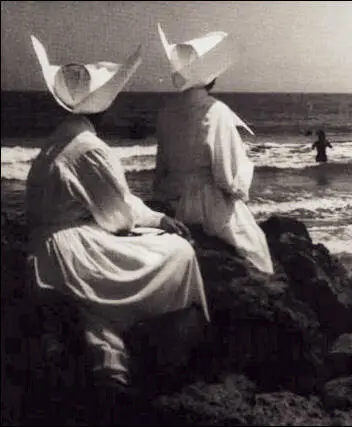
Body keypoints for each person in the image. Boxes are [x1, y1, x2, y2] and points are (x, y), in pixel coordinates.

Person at [26, 35, 210, 409]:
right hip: (72, 254)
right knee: (178, 251)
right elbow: (117, 213)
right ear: (103, 107)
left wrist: (150, 216)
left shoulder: (55, 141)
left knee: (98, 310)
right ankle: (175, 351)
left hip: (44, 251)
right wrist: (160, 221)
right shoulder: (90, 147)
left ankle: (110, 366)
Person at [153, 24, 274, 275]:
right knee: (257, 248)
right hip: (208, 206)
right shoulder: (215, 111)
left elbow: (161, 168)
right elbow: (227, 177)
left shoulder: (165, 112)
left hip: (174, 201)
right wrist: (241, 184)